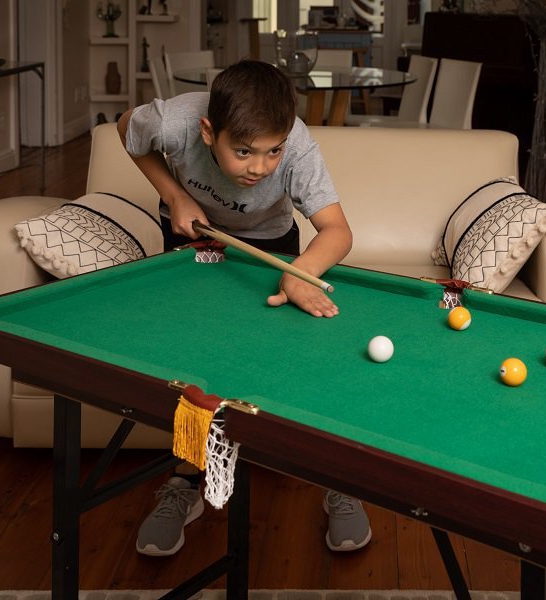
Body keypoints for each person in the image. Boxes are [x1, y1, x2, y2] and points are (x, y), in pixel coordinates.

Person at [117, 59, 370, 557]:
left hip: (272, 244)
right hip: (192, 241)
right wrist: (172, 193)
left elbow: (338, 231)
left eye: (272, 151)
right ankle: (187, 481)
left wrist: (298, 275)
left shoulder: (296, 145)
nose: (260, 167)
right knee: (197, 363)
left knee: (296, 362)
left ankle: (336, 478)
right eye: (244, 152)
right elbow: (126, 127)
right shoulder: (174, 121)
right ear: (208, 132)